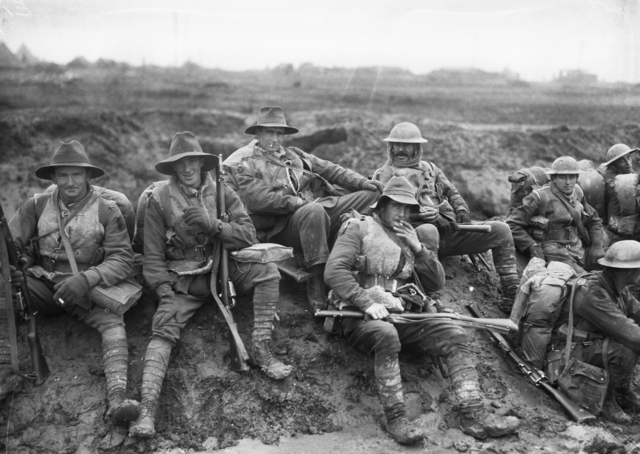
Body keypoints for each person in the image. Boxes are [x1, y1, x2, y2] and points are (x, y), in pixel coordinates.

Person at [324, 176, 520, 444]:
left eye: (407, 209)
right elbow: (334, 271)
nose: (402, 214)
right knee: (386, 335)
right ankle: (397, 420)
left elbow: (434, 282)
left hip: (405, 314)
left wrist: (418, 249)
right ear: (381, 206)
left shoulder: (410, 237)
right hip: (360, 317)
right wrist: (367, 302)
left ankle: (473, 416)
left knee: (454, 334)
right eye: (396, 207)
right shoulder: (358, 228)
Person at [130, 131, 290, 438]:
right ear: (173, 168)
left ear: (202, 164)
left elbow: (247, 236)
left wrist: (214, 225)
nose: (188, 168)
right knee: (162, 329)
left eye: (193, 161)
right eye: (181, 163)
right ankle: (147, 410)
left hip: (223, 267)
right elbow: (151, 257)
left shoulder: (222, 192)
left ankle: (261, 348)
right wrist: (164, 294)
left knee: (268, 272)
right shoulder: (158, 199)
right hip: (183, 279)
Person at [7, 140, 139, 424]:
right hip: (42, 283)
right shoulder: (36, 206)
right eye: (63, 175)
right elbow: (10, 246)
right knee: (5, 295)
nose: (70, 182)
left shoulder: (107, 210)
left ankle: (117, 399)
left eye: (76, 174)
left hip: (89, 289)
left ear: (87, 176)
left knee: (113, 323)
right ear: (53, 178)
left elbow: (123, 260)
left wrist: (87, 278)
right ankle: (7, 372)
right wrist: (13, 271)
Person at [234, 106, 383, 312]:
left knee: (372, 196)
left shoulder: (295, 155)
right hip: (281, 227)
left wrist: (362, 183)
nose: (274, 139)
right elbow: (260, 201)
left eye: (279, 133)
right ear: (258, 134)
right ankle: (317, 282)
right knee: (313, 211)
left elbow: (330, 169)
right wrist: (297, 203)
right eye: (269, 132)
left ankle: (355, 259)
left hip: (317, 212)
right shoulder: (247, 166)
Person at [373, 122, 519, 314]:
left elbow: (452, 192)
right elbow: (381, 215)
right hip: (414, 239)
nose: (400, 149)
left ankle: (511, 294)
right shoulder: (384, 176)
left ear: (416, 148)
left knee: (501, 230)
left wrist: (461, 211)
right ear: (390, 147)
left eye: (406, 145)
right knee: (428, 230)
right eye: (396, 145)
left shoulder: (430, 169)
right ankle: (432, 296)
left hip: (447, 231)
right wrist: (417, 215)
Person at [552, 240, 640, 424]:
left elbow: (637, 312)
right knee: (625, 349)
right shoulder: (593, 293)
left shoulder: (615, 286)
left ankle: (622, 392)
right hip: (569, 357)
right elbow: (631, 334)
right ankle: (606, 401)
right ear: (629, 271)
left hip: (589, 347)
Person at [507, 156, 605, 273]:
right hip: (553, 252)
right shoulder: (540, 197)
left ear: (577, 177)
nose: (568, 182)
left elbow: (593, 220)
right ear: (553, 178)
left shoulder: (577, 192)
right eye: (562, 177)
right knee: (582, 279)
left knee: (613, 264)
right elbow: (512, 225)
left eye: (572, 177)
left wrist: (597, 246)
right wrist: (532, 246)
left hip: (577, 249)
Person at [600, 144, 639, 244]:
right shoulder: (616, 186)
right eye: (622, 161)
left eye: (628, 158)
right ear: (613, 166)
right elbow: (613, 222)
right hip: (621, 235)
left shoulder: (627, 177)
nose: (628, 163)